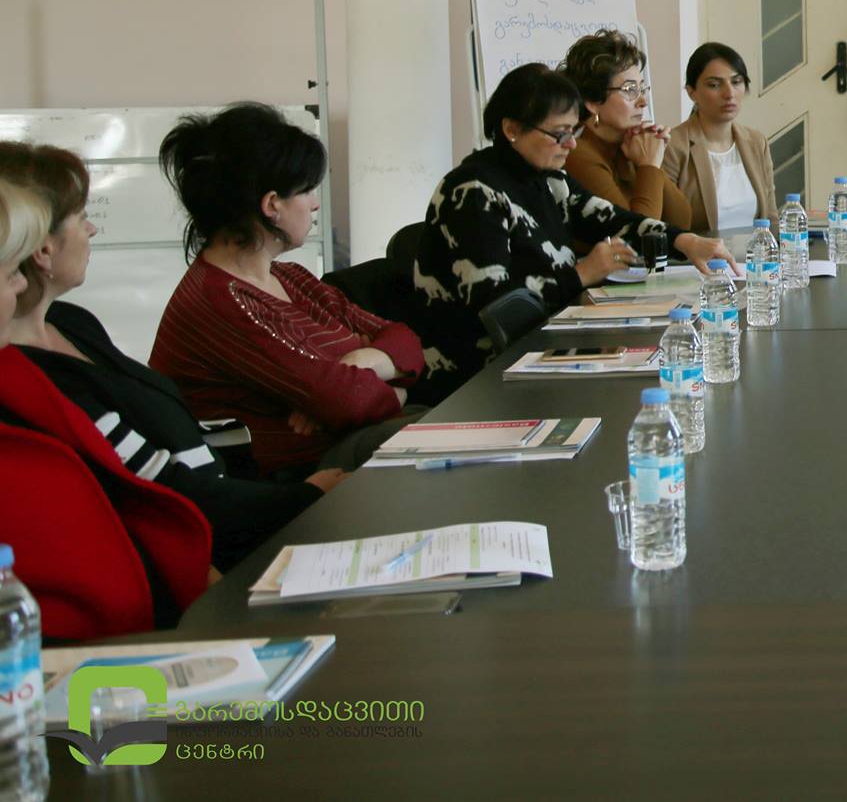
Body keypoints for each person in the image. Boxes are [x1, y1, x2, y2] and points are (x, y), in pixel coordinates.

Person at [0, 142, 336, 570]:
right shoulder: (33, 378)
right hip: (216, 539)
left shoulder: (70, 322)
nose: (92, 230)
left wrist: (359, 377)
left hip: (237, 501)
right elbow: (162, 490)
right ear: (43, 250)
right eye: (81, 218)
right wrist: (309, 493)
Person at [409, 64, 732, 399]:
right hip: (478, 375)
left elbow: (612, 219)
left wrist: (684, 240)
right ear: (512, 129)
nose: (572, 144)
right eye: (560, 134)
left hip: (541, 348)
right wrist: (581, 274)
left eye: (574, 131)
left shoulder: (549, 179)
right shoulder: (473, 192)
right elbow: (498, 308)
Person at [150, 103, 424, 476]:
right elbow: (346, 400)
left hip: (354, 442)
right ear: (272, 205)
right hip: (304, 480)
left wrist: (361, 363)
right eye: (307, 190)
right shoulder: (221, 301)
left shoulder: (290, 277)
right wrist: (395, 389)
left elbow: (404, 340)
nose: (315, 203)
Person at [563, 29, 694, 228]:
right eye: (630, 90)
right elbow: (635, 233)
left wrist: (654, 159)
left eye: (642, 89)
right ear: (593, 102)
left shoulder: (630, 145)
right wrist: (649, 165)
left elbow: (682, 221)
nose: (643, 101)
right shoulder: (578, 154)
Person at [657, 42, 777, 235]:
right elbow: (663, 224)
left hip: (755, 253)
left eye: (736, 82)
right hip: (696, 254)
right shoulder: (672, 146)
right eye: (714, 85)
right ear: (691, 92)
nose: (729, 94)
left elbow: (771, 217)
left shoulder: (756, 142)